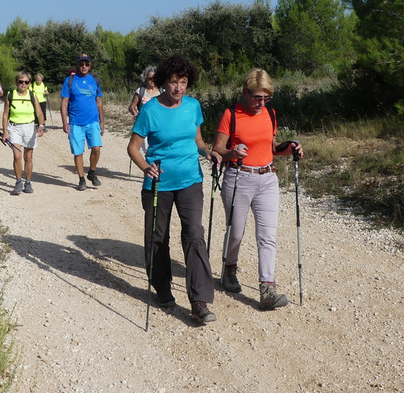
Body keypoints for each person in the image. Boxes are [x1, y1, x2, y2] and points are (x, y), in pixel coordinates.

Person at [127, 54, 222, 325]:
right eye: (173, 82)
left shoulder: (193, 107)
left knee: (194, 235)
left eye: (183, 82)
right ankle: (162, 288)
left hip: (190, 180)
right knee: (157, 238)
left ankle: (200, 300)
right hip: (158, 184)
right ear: (163, 82)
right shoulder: (150, 110)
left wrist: (209, 153)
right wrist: (146, 167)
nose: (178, 88)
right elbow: (133, 148)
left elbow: (199, 140)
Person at [212, 68, 303, 311]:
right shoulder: (231, 114)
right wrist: (231, 153)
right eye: (256, 97)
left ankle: (267, 288)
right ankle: (229, 269)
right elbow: (217, 148)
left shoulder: (270, 114)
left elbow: (272, 147)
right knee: (236, 233)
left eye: (266, 98)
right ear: (245, 92)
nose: (261, 103)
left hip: (267, 178)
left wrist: (291, 148)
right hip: (238, 177)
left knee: (267, 236)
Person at [60, 54, 105, 191]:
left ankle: (91, 172)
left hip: (93, 121)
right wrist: (64, 122)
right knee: (78, 152)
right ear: (77, 65)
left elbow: (99, 102)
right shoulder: (70, 81)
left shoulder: (94, 80)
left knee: (96, 148)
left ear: (90, 65)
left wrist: (102, 121)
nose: (84, 66)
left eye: (87, 64)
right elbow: (64, 102)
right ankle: (81, 179)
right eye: (81, 64)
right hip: (75, 122)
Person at [2, 71, 46, 195]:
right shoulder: (11, 95)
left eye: (26, 82)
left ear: (29, 83)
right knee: (17, 156)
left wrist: (41, 125)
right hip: (14, 127)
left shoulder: (32, 95)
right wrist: (5, 131)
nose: (23, 84)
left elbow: (39, 113)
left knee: (28, 157)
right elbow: (5, 115)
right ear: (17, 82)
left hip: (30, 128)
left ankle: (27, 182)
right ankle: (17, 181)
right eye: (21, 81)